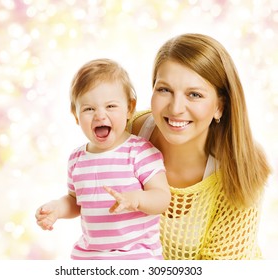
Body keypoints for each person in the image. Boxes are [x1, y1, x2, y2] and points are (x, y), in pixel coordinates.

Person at [128, 33, 271, 260]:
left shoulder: (239, 166)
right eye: (164, 89)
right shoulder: (127, 133)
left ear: (219, 107)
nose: (176, 109)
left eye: (194, 95)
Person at [35, 58, 171, 260]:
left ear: (129, 108)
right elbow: (75, 202)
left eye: (110, 106)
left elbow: (162, 198)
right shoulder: (76, 159)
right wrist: (57, 209)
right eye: (89, 109)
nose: (100, 115)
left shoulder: (140, 152)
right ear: (75, 115)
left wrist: (136, 199)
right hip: (90, 257)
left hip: (137, 255)